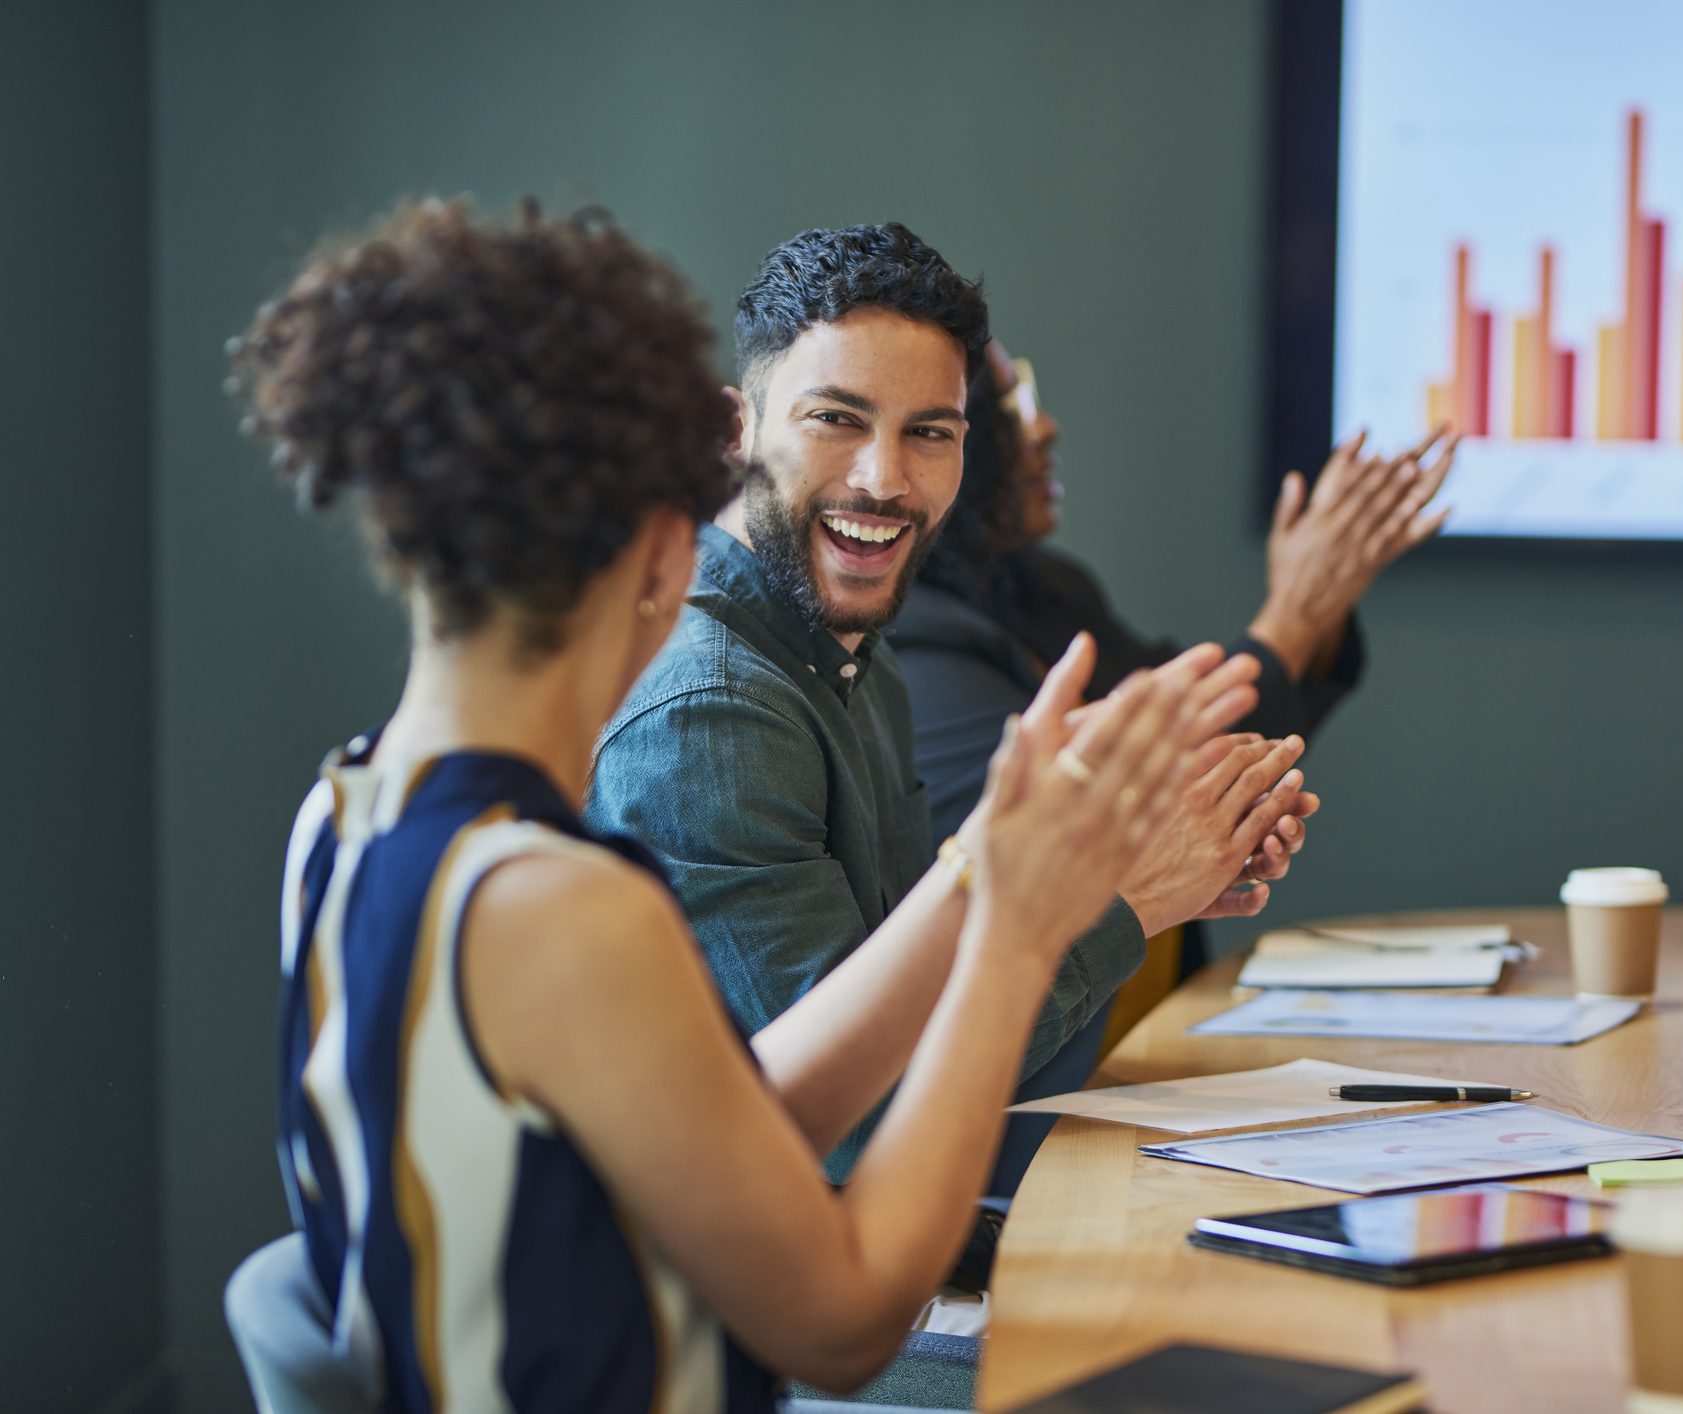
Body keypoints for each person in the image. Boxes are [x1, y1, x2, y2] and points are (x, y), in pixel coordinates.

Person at [234, 198, 1228, 1410]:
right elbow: (851, 1319)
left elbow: (737, 1125)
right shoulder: (563, 905)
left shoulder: (339, 817)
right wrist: (1012, 938)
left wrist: (990, 865)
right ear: (663, 546)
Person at [583, 225, 1316, 1187]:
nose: (883, 479)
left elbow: (911, 1009)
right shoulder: (710, 716)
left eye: (929, 432)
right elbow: (857, 1123)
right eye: (834, 419)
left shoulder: (852, 655)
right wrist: (1124, 896)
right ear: (737, 430)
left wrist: (1127, 860)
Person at [893, 341, 1454, 948]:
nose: (1046, 428)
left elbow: (1199, 735)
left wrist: (1321, 589)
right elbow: (1083, 838)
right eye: (1009, 407)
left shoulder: (1048, 582)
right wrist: (1296, 612)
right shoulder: (917, 641)